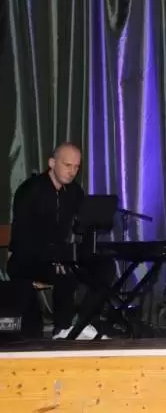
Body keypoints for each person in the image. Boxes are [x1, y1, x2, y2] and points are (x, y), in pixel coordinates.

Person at [7, 142, 106, 340]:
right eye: (67, 165)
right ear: (52, 163)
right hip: (26, 258)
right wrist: (55, 256)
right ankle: (62, 329)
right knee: (66, 276)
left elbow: (84, 226)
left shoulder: (74, 192)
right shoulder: (30, 190)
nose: (72, 172)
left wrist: (82, 250)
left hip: (59, 256)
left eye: (76, 167)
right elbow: (23, 237)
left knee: (104, 268)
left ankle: (83, 323)